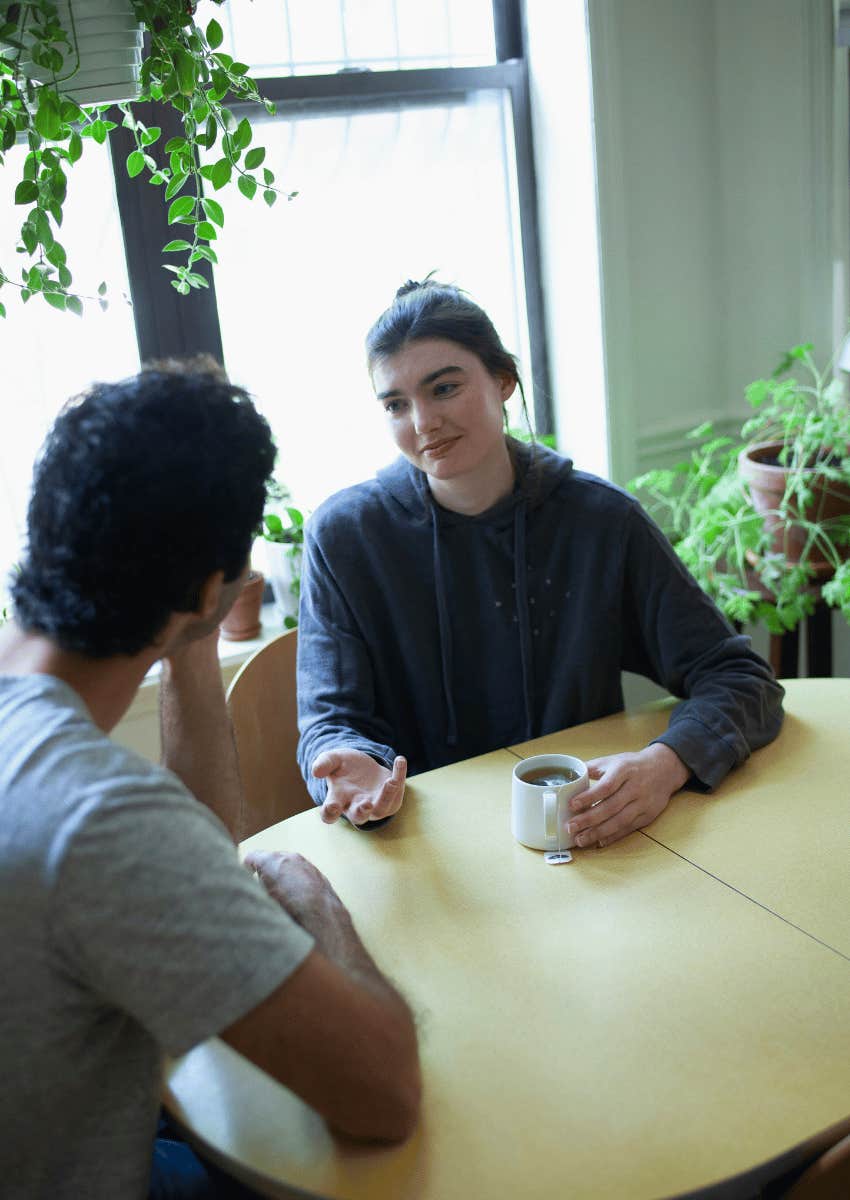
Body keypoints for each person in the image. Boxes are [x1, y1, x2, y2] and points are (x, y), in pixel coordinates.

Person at [0, 361, 420, 1200]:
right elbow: (384, 1094)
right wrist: (314, 902)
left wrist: (191, 632)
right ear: (207, 589)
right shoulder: (102, 820)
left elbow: (197, 849)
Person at [296, 279, 784, 844]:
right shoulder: (344, 538)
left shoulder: (601, 521)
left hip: (581, 833)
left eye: (444, 388)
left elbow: (740, 679)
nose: (423, 421)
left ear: (503, 380)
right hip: (425, 845)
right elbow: (330, 724)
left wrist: (666, 762)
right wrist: (350, 764)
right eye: (396, 404)